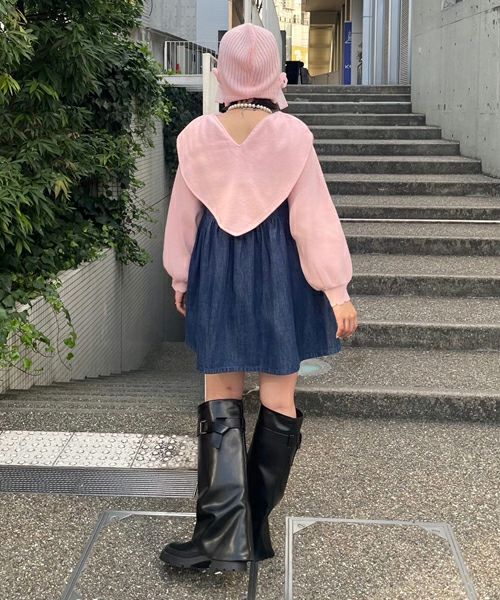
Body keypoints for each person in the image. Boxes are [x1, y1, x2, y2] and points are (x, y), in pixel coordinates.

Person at [160, 22, 358, 573]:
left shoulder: (196, 135)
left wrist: (181, 279)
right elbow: (313, 219)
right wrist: (336, 290)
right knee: (278, 396)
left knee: (220, 394)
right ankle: (252, 530)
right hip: (281, 275)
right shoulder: (292, 135)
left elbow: (183, 219)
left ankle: (220, 536)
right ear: (274, 74)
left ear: (223, 72)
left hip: (216, 270)